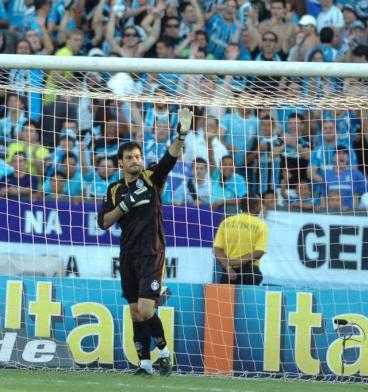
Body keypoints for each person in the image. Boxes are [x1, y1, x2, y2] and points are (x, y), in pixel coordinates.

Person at [97, 108, 193, 377]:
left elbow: (169, 159)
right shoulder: (115, 189)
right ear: (121, 163)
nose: (135, 161)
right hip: (128, 255)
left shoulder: (151, 178)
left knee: (146, 308)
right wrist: (125, 206)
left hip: (152, 252)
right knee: (135, 313)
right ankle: (145, 364)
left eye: (138, 156)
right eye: (130, 158)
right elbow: (103, 222)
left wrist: (181, 135)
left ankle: (164, 354)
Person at [213, 194, 268, 285]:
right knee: (248, 299)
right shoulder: (261, 225)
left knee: (226, 299)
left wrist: (228, 267)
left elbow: (217, 250)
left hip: (229, 273)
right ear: (254, 207)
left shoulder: (226, 222)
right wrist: (235, 262)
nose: (261, 208)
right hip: (249, 272)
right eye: (259, 205)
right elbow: (259, 252)